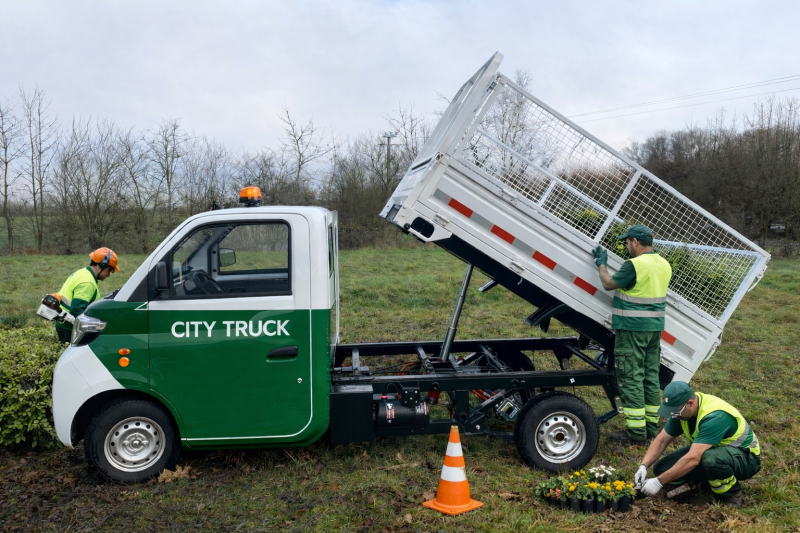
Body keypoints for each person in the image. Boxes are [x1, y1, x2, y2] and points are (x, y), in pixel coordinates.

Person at [592, 224, 672, 444]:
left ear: (635, 241)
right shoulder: (664, 264)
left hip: (632, 329)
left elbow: (608, 284)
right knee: (650, 376)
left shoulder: (634, 265)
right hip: (654, 329)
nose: (627, 246)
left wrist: (601, 264)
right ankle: (651, 428)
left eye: (627, 242)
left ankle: (636, 433)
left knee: (631, 377)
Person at [635, 381, 761, 508]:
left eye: (676, 412)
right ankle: (709, 480)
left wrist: (659, 482)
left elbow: (693, 459)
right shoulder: (682, 412)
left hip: (745, 458)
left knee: (711, 459)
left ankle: (731, 495)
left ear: (690, 403)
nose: (674, 416)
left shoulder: (714, 417)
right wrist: (643, 466)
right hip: (713, 450)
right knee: (661, 469)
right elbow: (661, 441)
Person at [54, 248, 120, 343]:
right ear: (102, 264)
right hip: (70, 329)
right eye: (109, 270)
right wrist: (96, 326)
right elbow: (77, 310)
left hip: (65, 325)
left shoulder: (83, 273)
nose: (109, 274)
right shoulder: (87, 282)